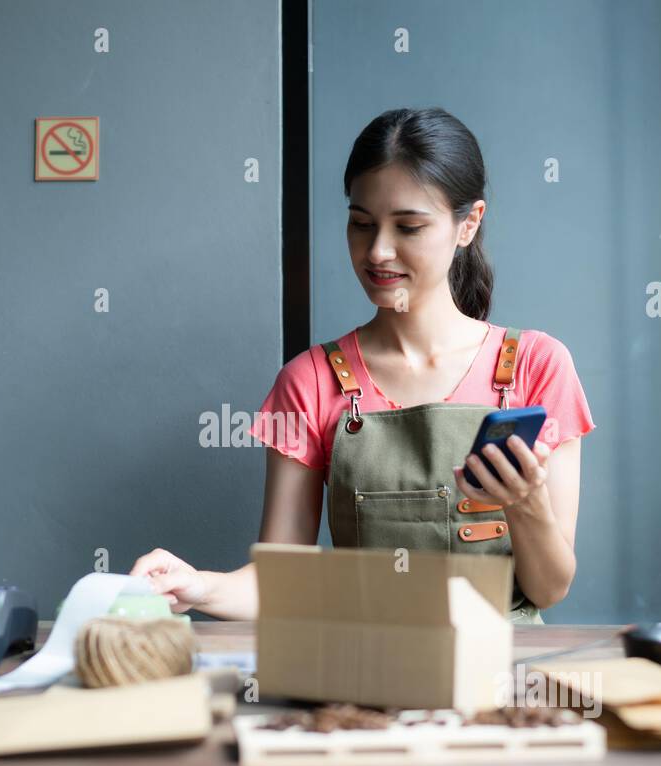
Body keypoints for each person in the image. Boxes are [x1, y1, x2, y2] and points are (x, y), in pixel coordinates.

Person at [131, 107, 595, 623]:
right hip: (365, 668)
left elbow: (550, 588)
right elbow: (284, 580)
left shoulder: (537, 366)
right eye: (361, 224)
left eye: (409, 226)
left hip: (502, 680)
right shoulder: (308, 380)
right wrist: (196, 586)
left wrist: (526, 504)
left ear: (469, 224)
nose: (378, 251)